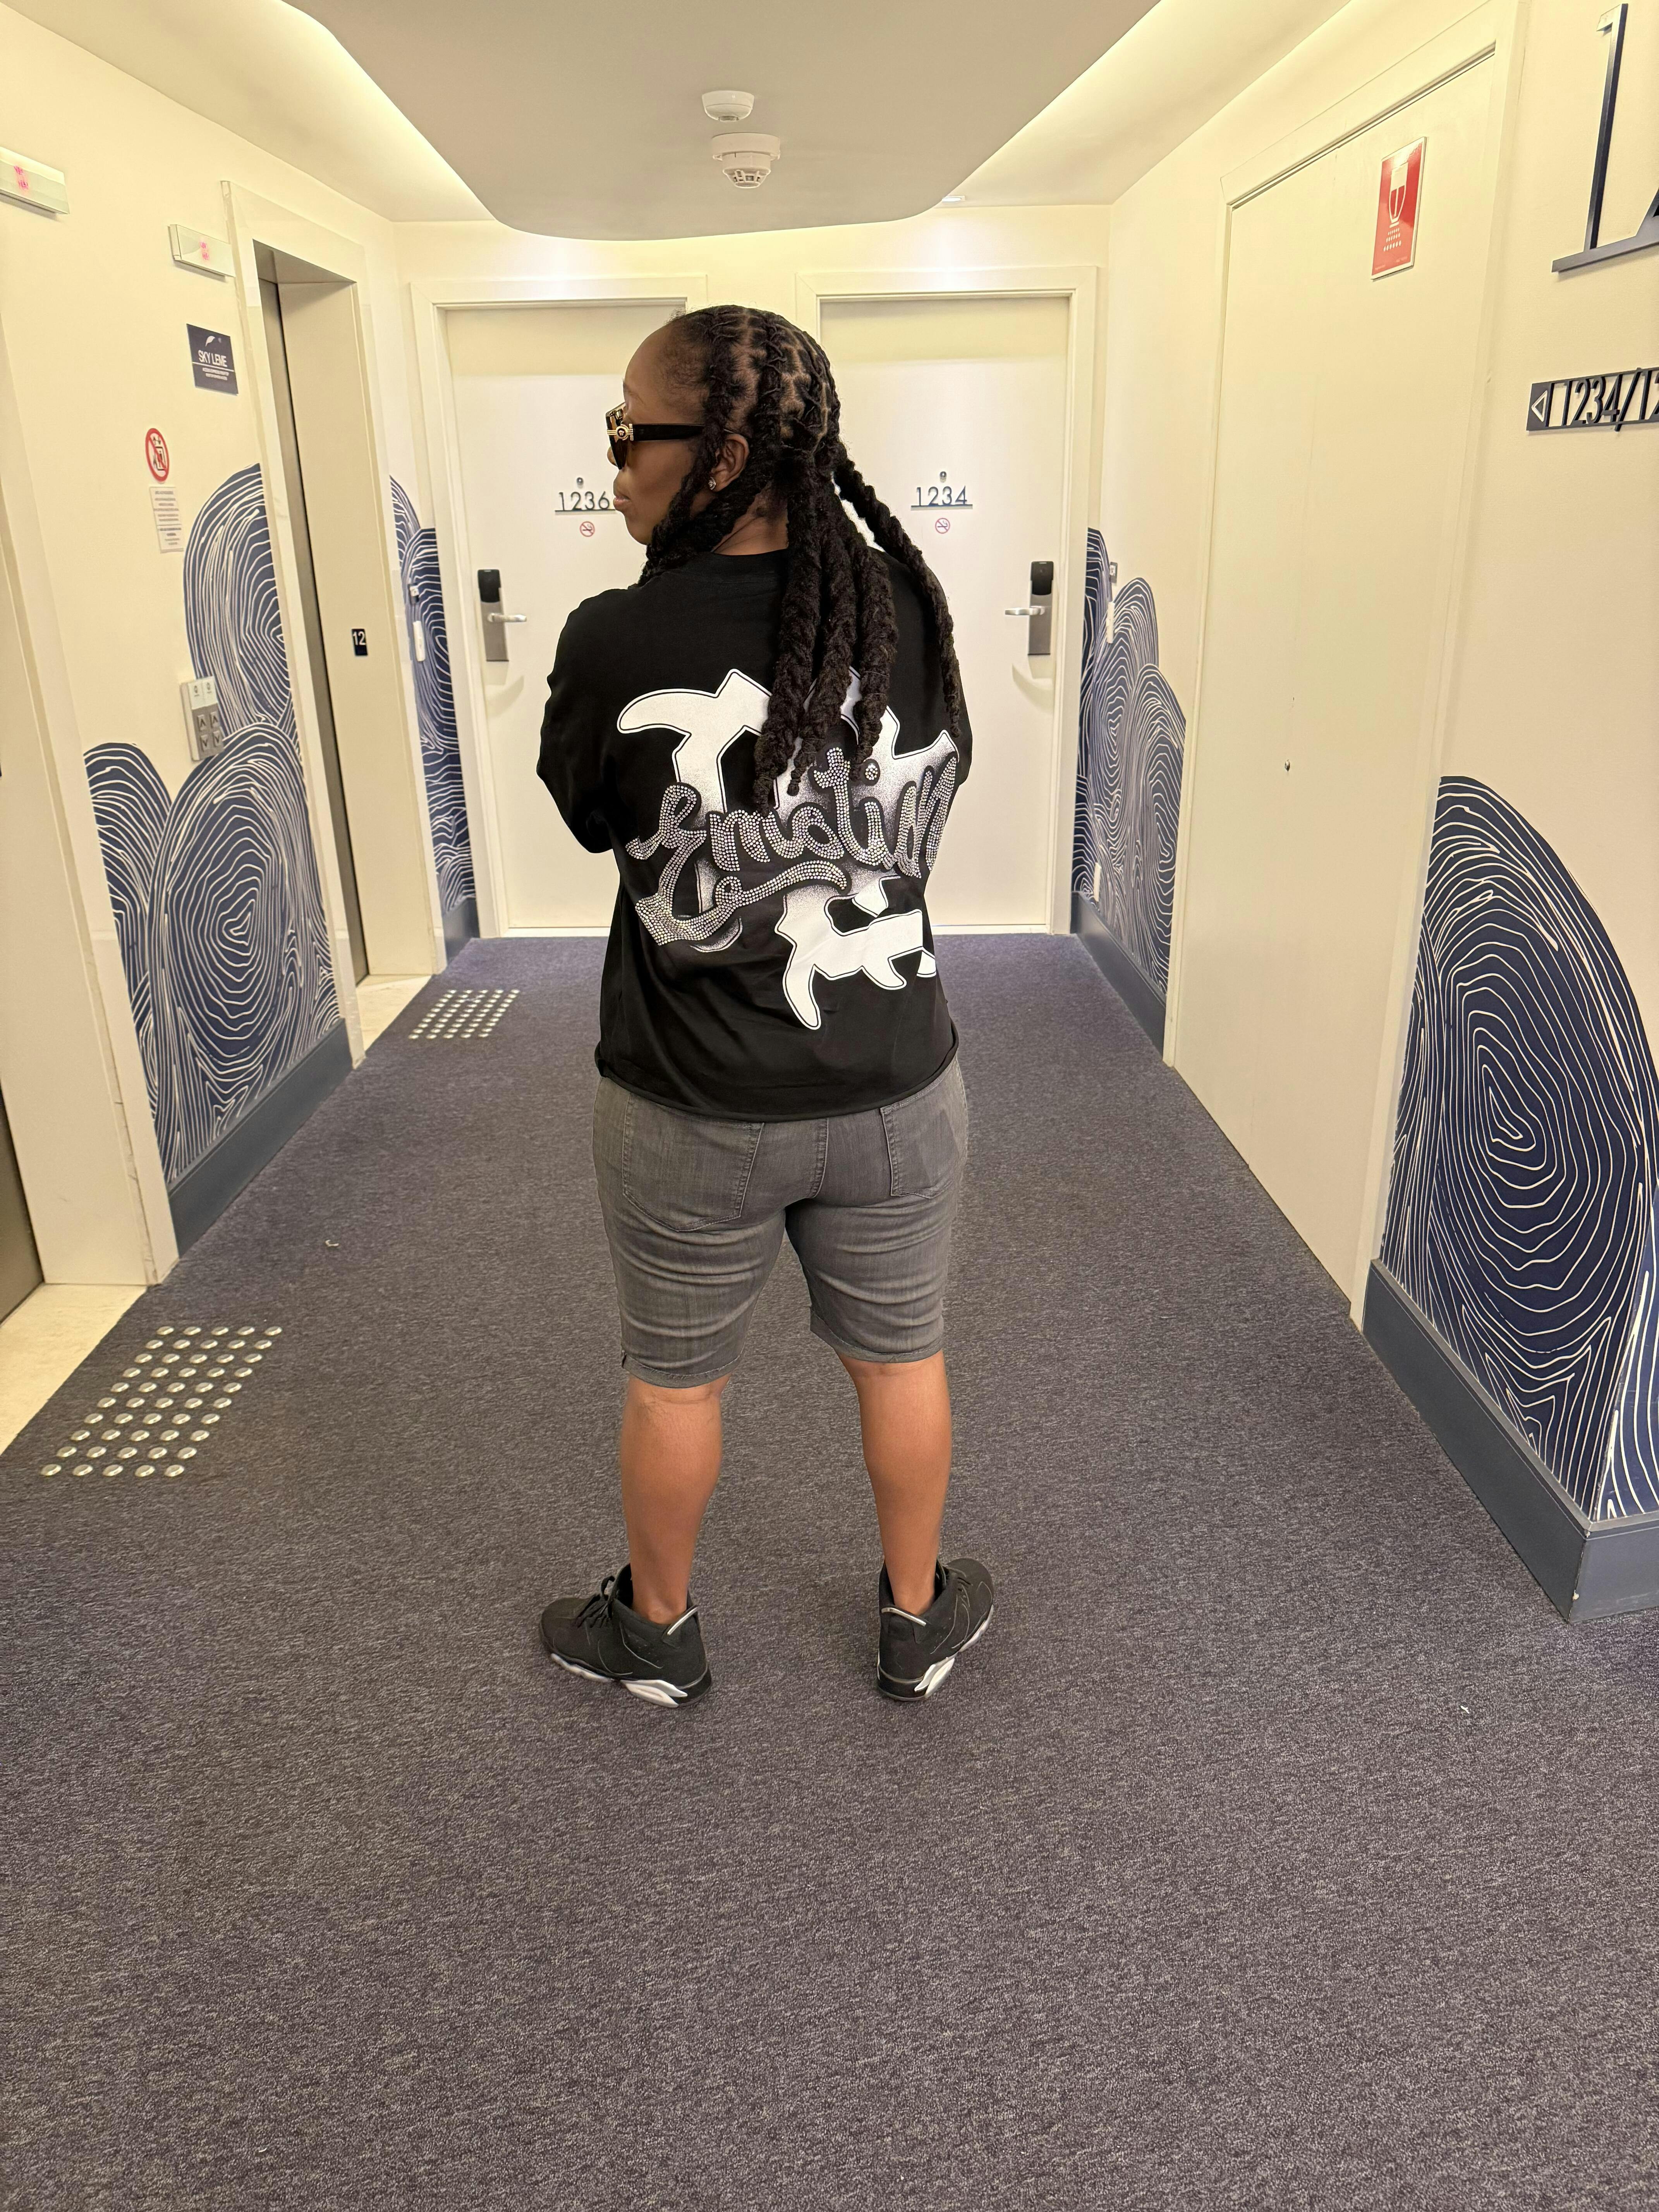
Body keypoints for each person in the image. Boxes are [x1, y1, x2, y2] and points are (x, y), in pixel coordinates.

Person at [535, 304, 992, 1706]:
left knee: (675, 1383)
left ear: (721, 452)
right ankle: (915, 1620)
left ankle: (654, 1635)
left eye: (628, 430)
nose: (612, 461)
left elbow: (590, 819)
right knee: (901, 1362)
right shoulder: (905, 605)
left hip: (689, 1102)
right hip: (893, 1086)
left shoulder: (614, 637)